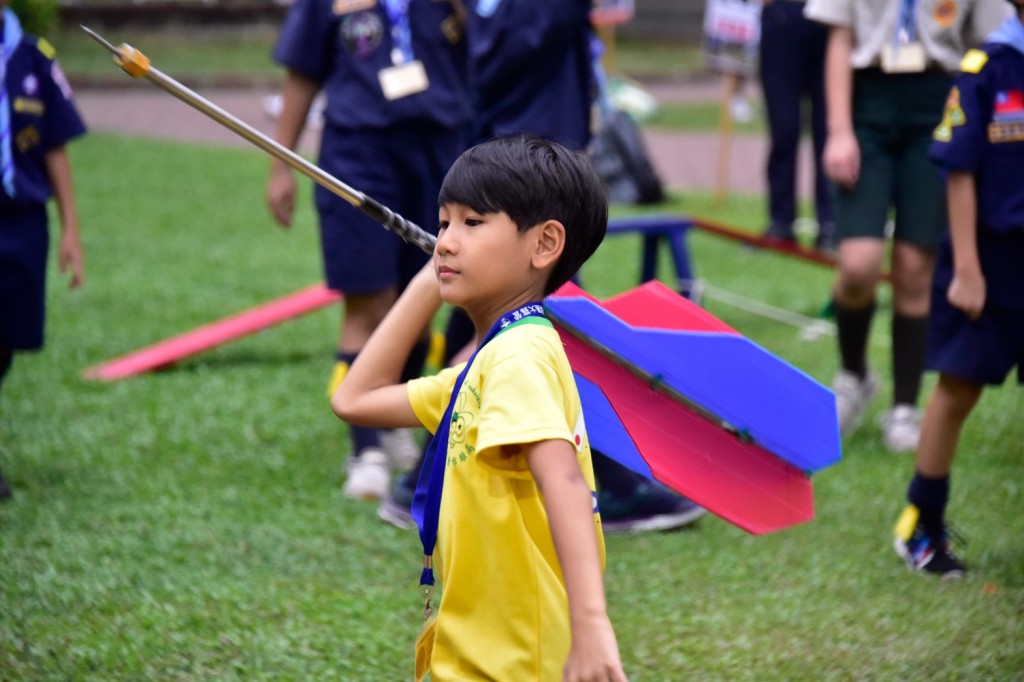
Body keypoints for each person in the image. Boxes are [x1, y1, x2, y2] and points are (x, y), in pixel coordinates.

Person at [377, 0, 705, 533]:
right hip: (528, 182)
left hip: (512, 164)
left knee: (493, 324)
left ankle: (419, 478)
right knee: (549, 320)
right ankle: (611, 482)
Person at [333, 136, 627, 681]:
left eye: (472, 223)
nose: (445, 241)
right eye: (442, 224)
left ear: (544, 245)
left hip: (520, 664)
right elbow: (355, 398)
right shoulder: (486, 366)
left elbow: (563, 481)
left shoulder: (520, 357)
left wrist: (591, 624)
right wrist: (428, 282)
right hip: (471, 655)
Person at [266, 0, 472, 500]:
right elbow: (302, 73)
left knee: (425, 297)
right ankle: (365, 450)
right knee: (369, 302)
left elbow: (479, 53)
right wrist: (280, 166)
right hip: (358, 154)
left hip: (441, 152)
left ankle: (396, 421)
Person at [804, 0, 1009, 453]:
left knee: (915, 268)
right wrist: (838, 131)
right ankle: (855, 375)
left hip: (939, 101)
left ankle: (904, 407)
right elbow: (839, 39)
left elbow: (991, 40)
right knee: (858, 266)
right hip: (866, 104)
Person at [892, 0, 1024, 579]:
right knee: (958, 390)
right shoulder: (986, 68)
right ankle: (923, 526)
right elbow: (960, 170)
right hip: (989, 261)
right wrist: (968, 269)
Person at [0, 0, 86, 501]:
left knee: (9, 340)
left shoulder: (33, 58)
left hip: (23, 223)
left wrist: (71, 230)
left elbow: (56, 146)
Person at [758, 0, 835, 252]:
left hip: (831, 17)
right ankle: (780, 223)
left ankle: (830, 225)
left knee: (829, 130)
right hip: (783, 15)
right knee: (783, 129)